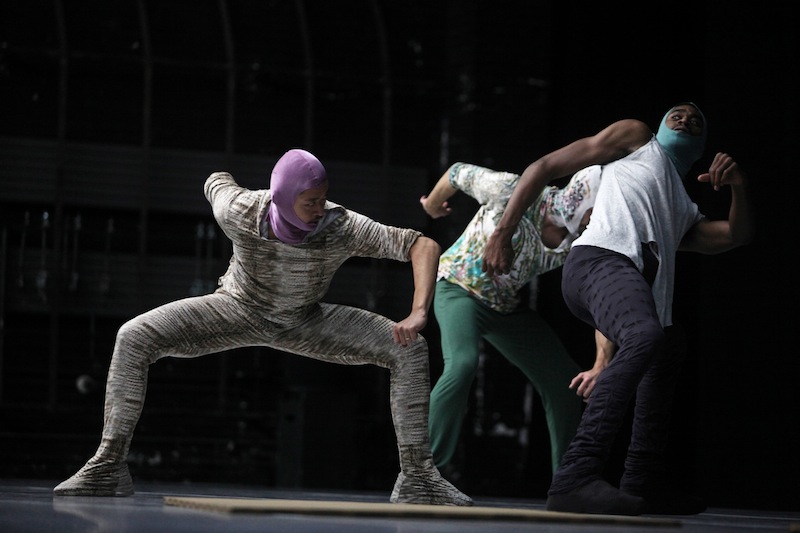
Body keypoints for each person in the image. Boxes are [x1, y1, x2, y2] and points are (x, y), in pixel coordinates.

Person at [53, 148, 473, 507]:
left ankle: (417, 477)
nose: (320, 208)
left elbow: (422, 245)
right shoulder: (241, 211)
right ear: (283, 197)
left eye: (324, 199)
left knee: (409, 348)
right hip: (234, 308)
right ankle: (108, 466)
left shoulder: (340, 225)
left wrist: (419, 312)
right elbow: (216, 183)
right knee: (133, 336)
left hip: (305, 319)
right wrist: (219, 178)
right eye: (310, 201)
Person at [482, 102, 755, 515]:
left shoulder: (681, 210)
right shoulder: (637, 140)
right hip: (596, 260)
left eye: (695, 119)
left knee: (666, 343)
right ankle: (574, 478)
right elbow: (544, 165)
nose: (684, 118)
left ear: (700, 146)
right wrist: (503, 230)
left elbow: (736, 234)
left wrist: (739, 185)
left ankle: (642, 481)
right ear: (662, 126)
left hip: (619, 280)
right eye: (676, 114)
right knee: (647, 335)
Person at [419, 162, 609, 482]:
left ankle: (569, 484)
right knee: (462, 364)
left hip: (505, 307)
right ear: (574, 201)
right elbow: (456, 173)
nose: (590, 221)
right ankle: (423, 474)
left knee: (565, 382)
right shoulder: (513, 190)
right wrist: (433, 204)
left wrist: (602, 361)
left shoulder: (584, 240)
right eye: (590, 212)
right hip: (458, 288)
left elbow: (604, 299)